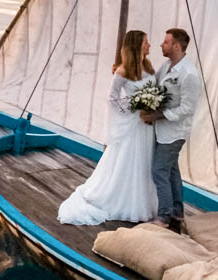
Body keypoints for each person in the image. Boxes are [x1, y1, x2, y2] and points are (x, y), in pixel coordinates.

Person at [56, 29, 160, 226]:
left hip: (146, 126)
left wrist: (151, 105)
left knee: (144, 162)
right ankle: (122, 200)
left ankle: (142, 201)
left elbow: (153, 90)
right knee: (128, 161)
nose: (149, 45)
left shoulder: (148, 66)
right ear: (137, 45)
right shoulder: (122, 71)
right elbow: (112, 98)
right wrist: (133, 107)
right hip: (132, 124)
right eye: (146, 42)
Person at [143, 27, 202, 231]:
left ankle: (164, 216)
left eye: (166, 42)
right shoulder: (167, 65)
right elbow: (152, 80)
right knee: (171, 172)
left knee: (159, 171)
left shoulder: (189, 74)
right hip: (162, 130)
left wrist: (159, 115)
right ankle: (177, 212)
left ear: (177, 46)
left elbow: (187, 108)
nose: (162, 45)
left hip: (174, 132)